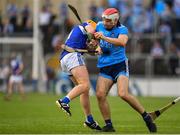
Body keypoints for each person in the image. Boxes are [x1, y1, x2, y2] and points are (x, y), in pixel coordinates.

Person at [94, 8, 157, 132]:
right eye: (104, 20)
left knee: (123, 94)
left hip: (120, 65)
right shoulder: (99, 26)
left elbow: (122, 42)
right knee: (100, 95)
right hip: (105, 66)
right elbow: (94, 43)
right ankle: (109, 125)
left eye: (108, 21)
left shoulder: (122, 29)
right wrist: (95, 47)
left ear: (115, 20)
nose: (105, 22)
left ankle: (146, 117)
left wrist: (104, 38)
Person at [55, 20, 101, 130]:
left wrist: (93, 47)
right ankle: (64, 101)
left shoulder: (79, 33)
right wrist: (95, 40)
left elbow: (88, 50)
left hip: (64, 59)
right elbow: (91, 32)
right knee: (85, 85)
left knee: (83, 89)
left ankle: (89, 120)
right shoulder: (87, 26)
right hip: (72, 56)